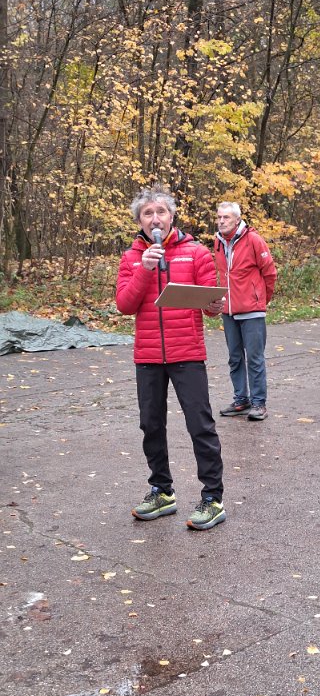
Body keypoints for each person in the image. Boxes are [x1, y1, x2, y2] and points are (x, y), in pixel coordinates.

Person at [116, 185, 226, 530]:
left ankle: (213, 498)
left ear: (172, 216)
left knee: (200, 425)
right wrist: (144, 269)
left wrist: (214, 305)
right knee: (151, 425)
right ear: (140, 221)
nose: (155, 218)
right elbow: (125, 305)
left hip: (187, 353)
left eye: (160, 211)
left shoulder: (196, 253)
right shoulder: (131, 258)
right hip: (148, 355)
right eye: (147, 213)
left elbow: (209, 305)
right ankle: (162, 491)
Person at [214, 202, 277, 421]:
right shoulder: (218, 241)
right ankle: (241, 400)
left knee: (254, 359)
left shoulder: (253, 239)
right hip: (229, 310)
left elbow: (270, 273)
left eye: (226, 217)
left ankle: (259, 403)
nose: (221, 221)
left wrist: (260, 300)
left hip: (252, 311)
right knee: (234, 358)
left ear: (237, 220)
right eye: (219, 217)